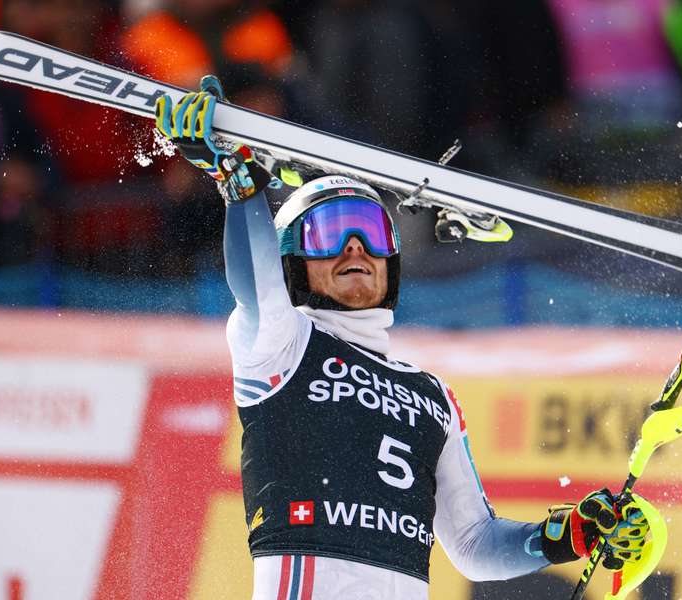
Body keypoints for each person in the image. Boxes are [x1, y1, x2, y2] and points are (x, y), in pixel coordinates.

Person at [154, 77, 654, 599]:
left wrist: (564, 537)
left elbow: (476, 544)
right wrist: (237, 183)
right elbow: (257, 284)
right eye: (329, 235)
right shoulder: (283, 344)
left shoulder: (432, 398)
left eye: (371, 233)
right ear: (293, 262)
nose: (355, 248)